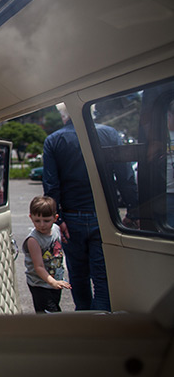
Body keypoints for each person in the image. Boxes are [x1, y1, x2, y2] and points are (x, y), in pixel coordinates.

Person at [43, 103, 137, 311]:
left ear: (62, 115)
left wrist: (57, 220)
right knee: (102, 277)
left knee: (78, 276)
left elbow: (51, 186)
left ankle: (84, 318)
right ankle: (101, 321)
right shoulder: (110, 134)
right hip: (105, 217)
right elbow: (125, 177)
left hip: (71, 218)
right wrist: (133, 211)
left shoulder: (54, 140)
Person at [22, 195, 71, 313]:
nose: (42, 225)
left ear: (55, 218)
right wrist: (52, 282)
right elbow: (38, 266)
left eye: (46, 220)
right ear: (31, 217)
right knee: (50, 315)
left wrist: (55, 281)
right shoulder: (33, 240)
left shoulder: (56, 229)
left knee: (52, 311)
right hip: (40, 284)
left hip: (55, 280)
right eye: (37, 221)